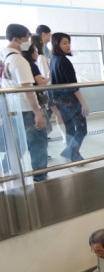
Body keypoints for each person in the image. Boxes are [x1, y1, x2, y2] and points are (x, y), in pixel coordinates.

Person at [1, 24, 48, 181]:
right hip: (26, 110)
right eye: (27, 38)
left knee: (19, 145)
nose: (29, 41)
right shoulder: (18, 60)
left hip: (12, 109)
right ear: (16, 40)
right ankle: (40, 177)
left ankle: (6, 172)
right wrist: (37, 112)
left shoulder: (4, 58)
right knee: (38, 144)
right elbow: (27, 89)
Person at [50, 32, 90, 163]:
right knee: (82, 129)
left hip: (60, 101)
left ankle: (73, 156)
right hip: (71, 102)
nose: (68, 46)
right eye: (64, 43)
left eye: (68, 42)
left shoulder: (53, 59)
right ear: (57, 44)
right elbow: (73, 86)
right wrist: (83, 103)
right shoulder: (64, 61)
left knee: (70, 129)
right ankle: (70, 152)